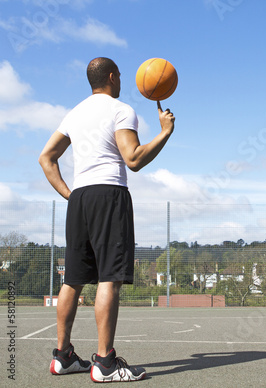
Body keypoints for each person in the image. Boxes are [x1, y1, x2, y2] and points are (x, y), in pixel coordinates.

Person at [39, 57, 175, 382]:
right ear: (113, 77)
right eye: (121, 76)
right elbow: (133, 159)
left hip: (81, 198)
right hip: (108, 194)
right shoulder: (121, 109)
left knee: (72, 278)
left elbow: (46, 157)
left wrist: (71, 195)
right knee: (108, 278)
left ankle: (63, 356)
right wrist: (165, 132)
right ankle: (104, 362)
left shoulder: (74, 113)